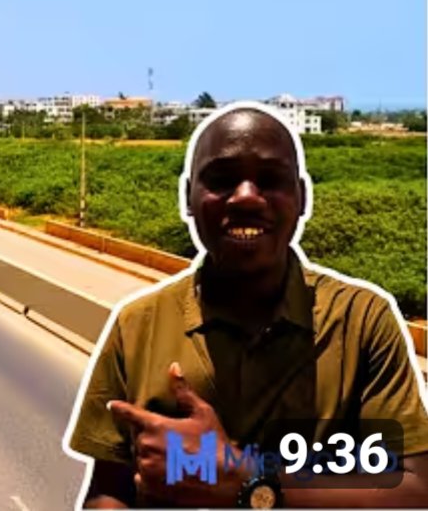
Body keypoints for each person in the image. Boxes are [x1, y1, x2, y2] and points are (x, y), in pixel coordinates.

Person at [63, 102, 428, 508]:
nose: (247, 198)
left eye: (270, 180)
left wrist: (248, 482)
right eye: (221, 180)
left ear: (302, 198)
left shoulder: (361, 323)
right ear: (188, 198)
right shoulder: (137, 327)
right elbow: (109, 490)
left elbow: (412, 492)